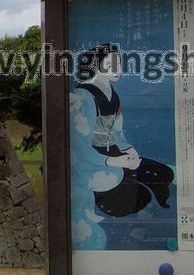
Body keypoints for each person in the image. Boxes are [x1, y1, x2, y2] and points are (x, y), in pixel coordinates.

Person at [72, 44, 173, 220]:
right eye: (110, 64)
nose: (117, 69)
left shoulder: (114, 96)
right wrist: (112, 161)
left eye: (118, 63)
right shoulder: (83, 95)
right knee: (132, 196)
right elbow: (79, 146)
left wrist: (129, 150)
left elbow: (117, 133)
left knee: (163, 173)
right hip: (94, 159)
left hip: (114, 151)